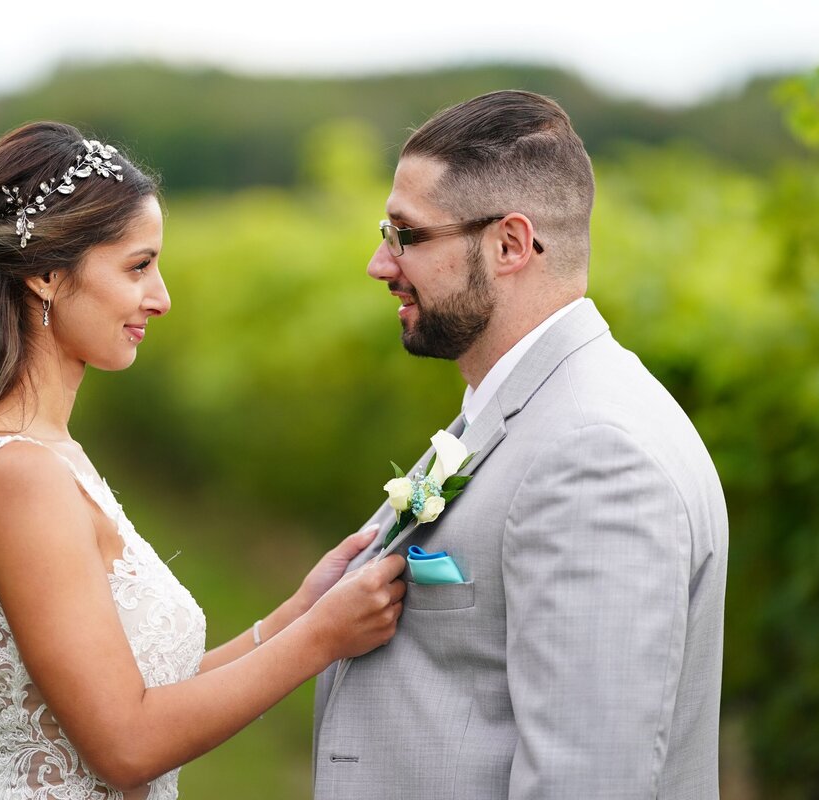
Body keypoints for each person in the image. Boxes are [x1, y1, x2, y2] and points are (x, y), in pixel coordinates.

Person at [0, 121, 407, 800]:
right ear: (48, 275)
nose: (162, 297)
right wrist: (322, 639)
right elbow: (125, 744)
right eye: (139, 266)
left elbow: (140, 698)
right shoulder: (16, 474)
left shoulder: (48, 455)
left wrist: (298, 612)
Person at [312, 91, 729, 798]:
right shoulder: (522, 410)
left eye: (407, 236)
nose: (380, 265)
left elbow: (588, 779)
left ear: (509, 244)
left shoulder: (599, 456)